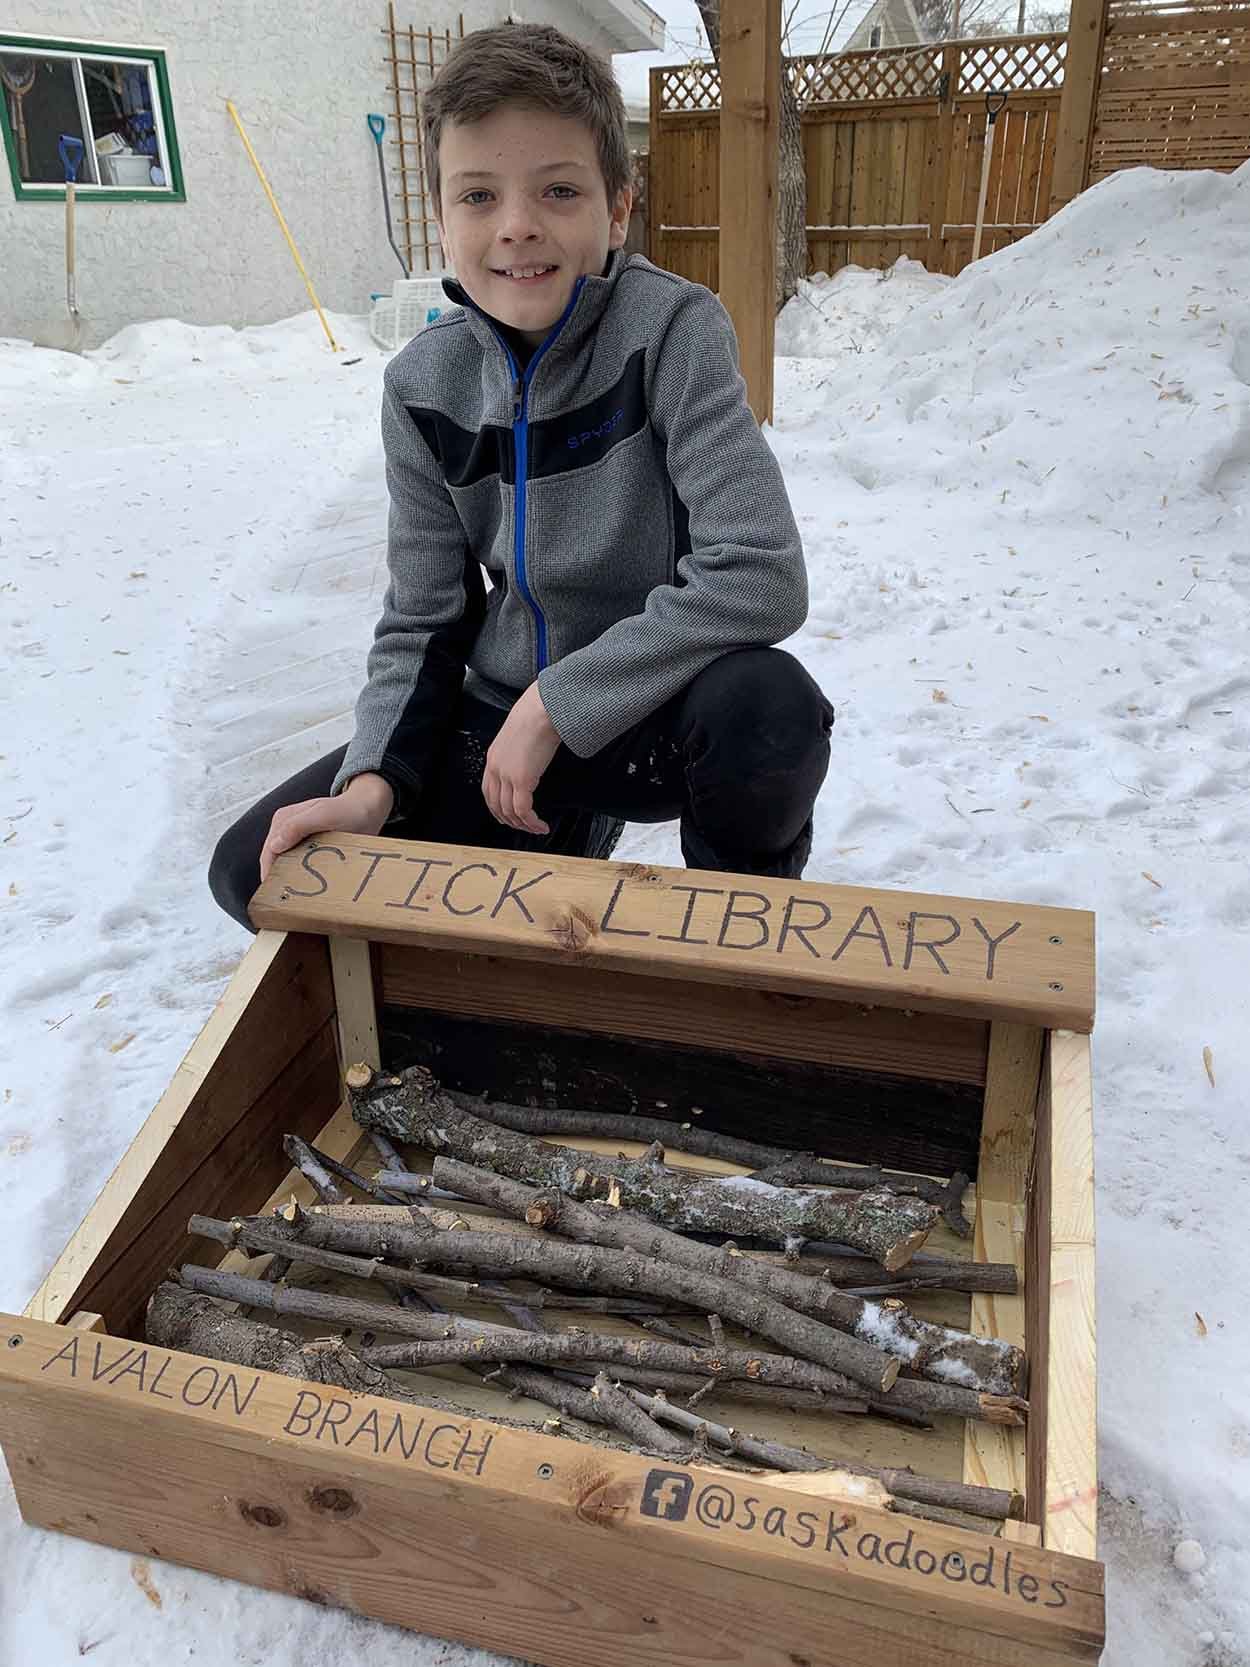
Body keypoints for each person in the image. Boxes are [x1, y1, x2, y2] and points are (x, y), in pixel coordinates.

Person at [209, 22, 833, 932]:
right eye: (478, 195)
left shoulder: (672, 334)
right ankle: (480, 984)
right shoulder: (422, 387)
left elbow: (761, 571)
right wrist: (375, 779)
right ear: (442, 216)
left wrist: (562, 700)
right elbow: (423, 616)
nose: (516, 226)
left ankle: (738, 964)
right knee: (260, 872)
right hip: (496, 722)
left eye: (559, 190)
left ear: (617, 208)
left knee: (768, 708)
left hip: (653, 719)